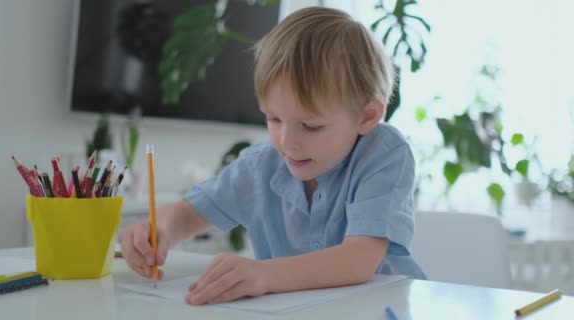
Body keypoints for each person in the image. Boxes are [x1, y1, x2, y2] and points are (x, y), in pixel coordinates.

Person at [121, 6, 426, 305]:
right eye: (273, 119)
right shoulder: (259, 165)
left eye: (311, 125)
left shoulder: (383, 154)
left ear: (367, 115)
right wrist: (159, 231)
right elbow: (188, 215)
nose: (287, 142)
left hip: (381, 309)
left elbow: (358, 259)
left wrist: (263, 275)